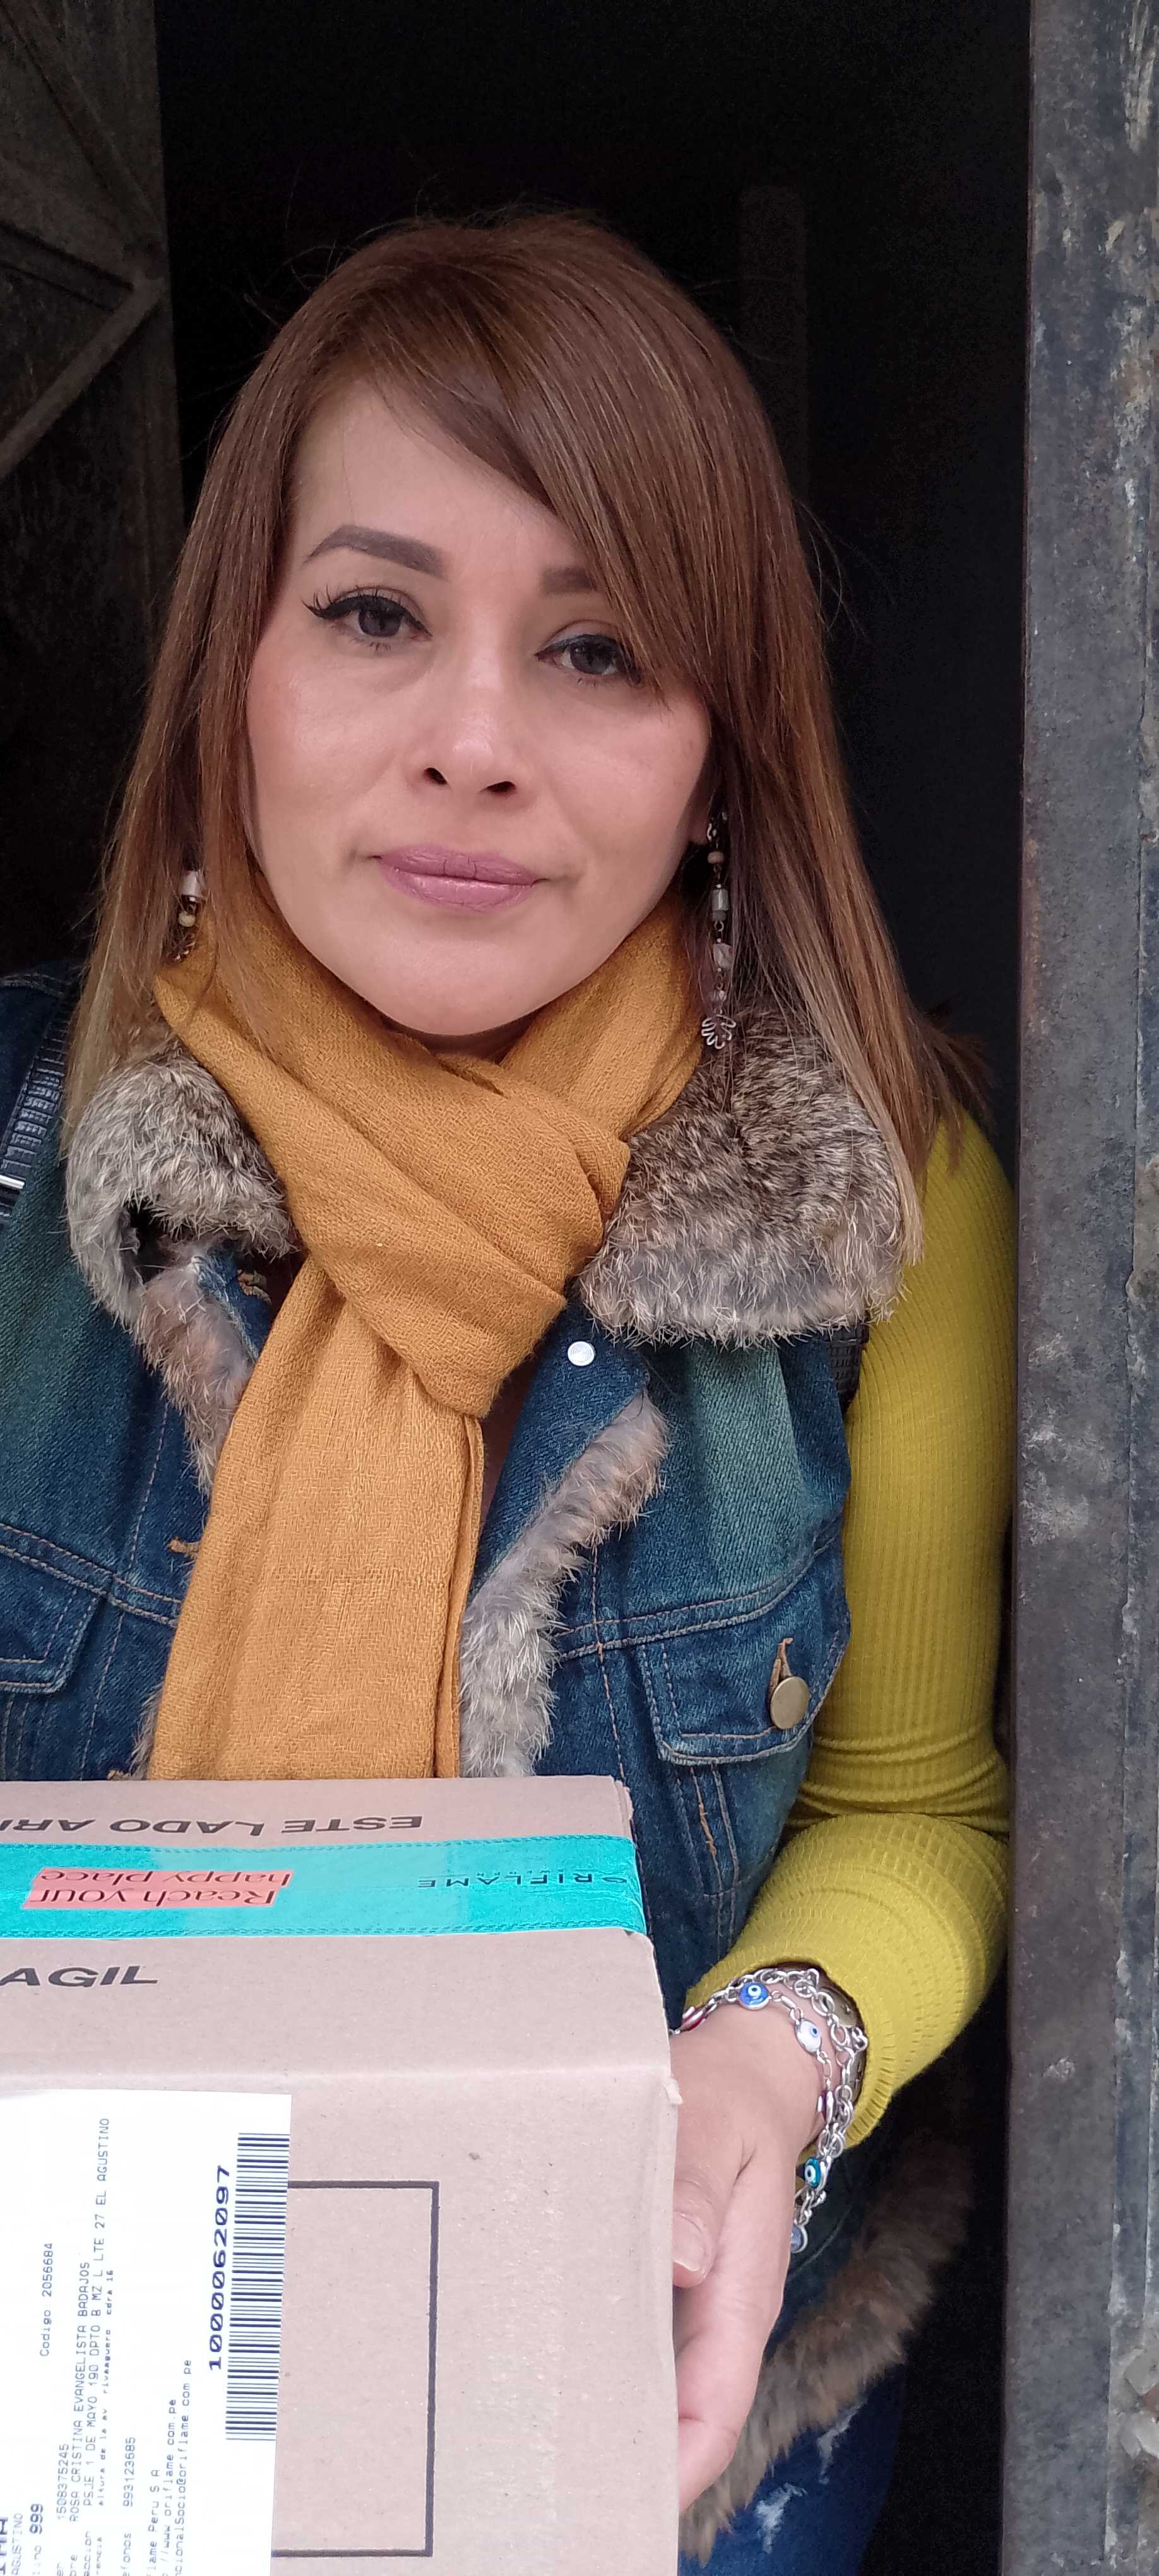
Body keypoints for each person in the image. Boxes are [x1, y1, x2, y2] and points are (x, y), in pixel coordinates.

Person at [0, 213, 1013, 2572]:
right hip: (87, 2388)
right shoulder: (19, 1159)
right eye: (375, 615)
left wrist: (765, 2063)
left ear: (716, 756)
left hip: (646, 2414)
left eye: (597, 647)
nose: (474, 736)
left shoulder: (885, 1206)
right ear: (232, 680)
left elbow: (919, 1809)